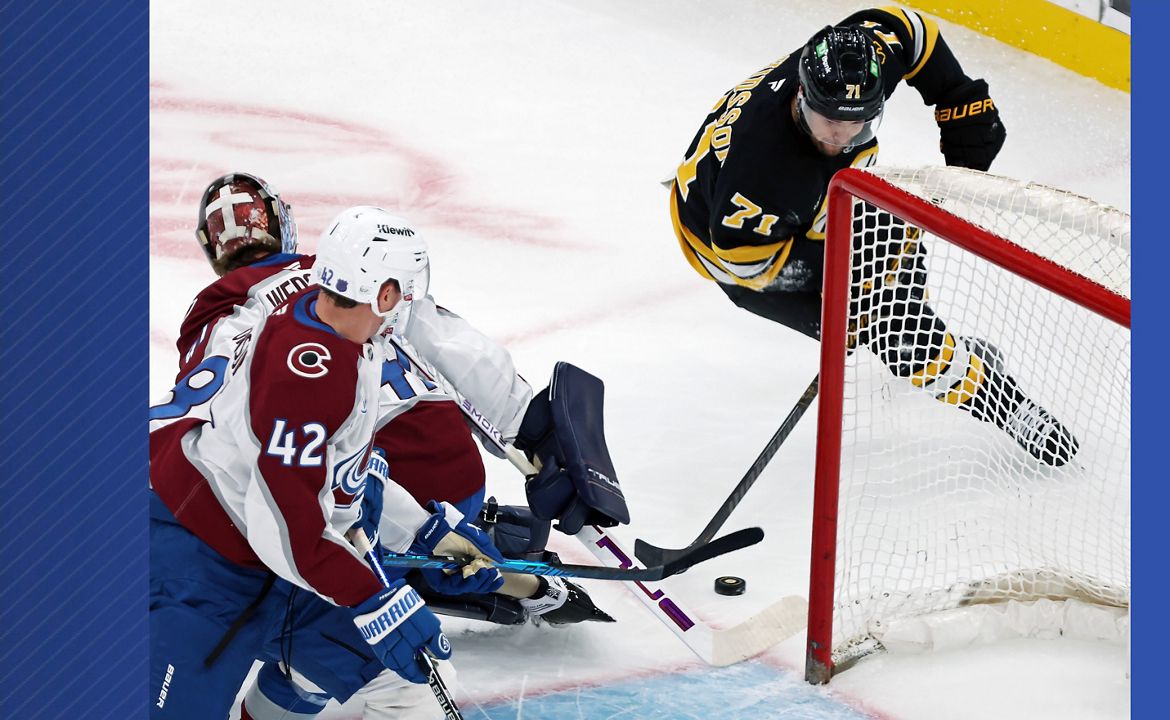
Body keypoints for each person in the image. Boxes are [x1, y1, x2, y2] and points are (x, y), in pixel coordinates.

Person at [162, 177, 621, 718]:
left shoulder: (261, 317)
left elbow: (307, 465)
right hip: (280, 533)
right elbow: (451, 348)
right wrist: (538, 431)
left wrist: (425, 533)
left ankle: (410, 578)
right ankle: (418, 577)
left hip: (307, 524)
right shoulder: (339, 311)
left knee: (354, 635)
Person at [668, 7, 1077, 466]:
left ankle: (932, 350)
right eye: (828, 121)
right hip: (735, 248)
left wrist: (957, 95)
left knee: (895, 250)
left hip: (803, 202)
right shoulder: (764, 170)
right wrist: (840, 270)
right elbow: (744, 262)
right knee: (889, 326)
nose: (841, 136)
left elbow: (911, 29)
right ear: (802, 95)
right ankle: (1004, 404)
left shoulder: (857, 61)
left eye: (858, 122)